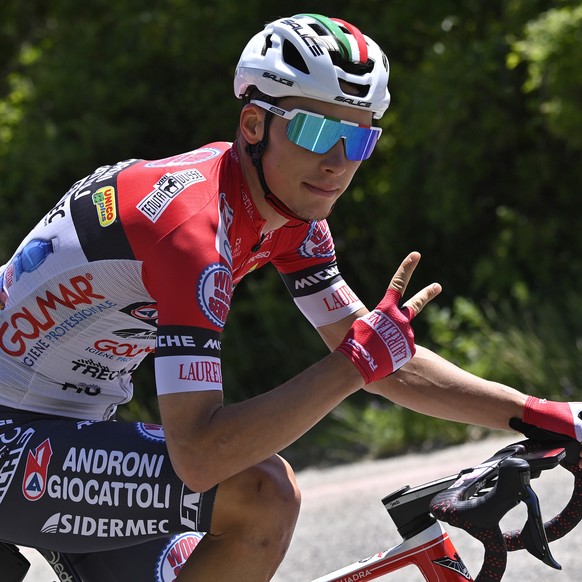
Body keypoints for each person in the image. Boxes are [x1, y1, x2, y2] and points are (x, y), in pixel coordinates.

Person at [0, 12, 580, 582]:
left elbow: (383, 362)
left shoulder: (290, 217)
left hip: (71, 426)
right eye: (316, 131)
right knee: (262, 493)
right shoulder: (190, 230)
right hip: (15, 436)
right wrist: (352, 364)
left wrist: (538, 414)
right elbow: (201, 455)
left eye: (359, 138)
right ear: (253, 124)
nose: (337, 162)